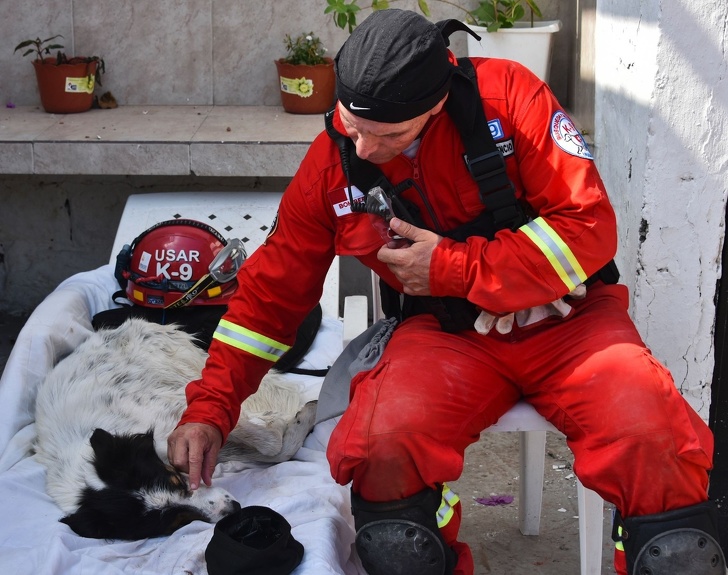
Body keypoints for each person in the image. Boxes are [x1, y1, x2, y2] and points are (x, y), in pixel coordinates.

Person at [167, 9, 722, 575]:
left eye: (388, 135)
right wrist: (211, 408)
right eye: (349, 124)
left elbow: (589, 229)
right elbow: (270, 298)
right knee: (384, 450)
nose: (360, 148)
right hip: (445, 334)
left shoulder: (511, 100)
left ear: (434, 106)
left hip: (571, 324)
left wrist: (455, 267)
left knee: (656, 451)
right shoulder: (332, 167)